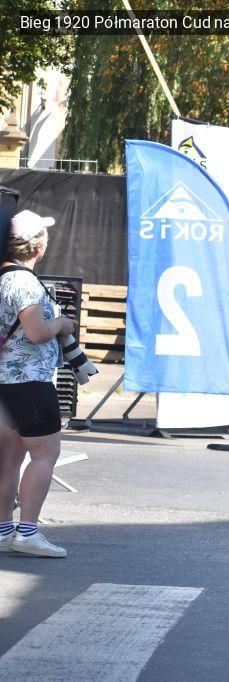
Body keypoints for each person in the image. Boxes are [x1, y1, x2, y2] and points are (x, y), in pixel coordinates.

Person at [0, 210, 76, 558]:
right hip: (28, 380)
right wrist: (61, 324)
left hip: (5, 381)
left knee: (8, 458)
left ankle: (3, 531)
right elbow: (36, 332)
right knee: (45, 454)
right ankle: (27, 532)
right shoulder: (25, 282)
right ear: (37, 245)